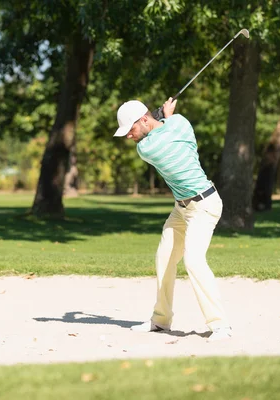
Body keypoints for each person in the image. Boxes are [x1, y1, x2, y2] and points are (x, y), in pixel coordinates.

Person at [113, 97, 232, 342]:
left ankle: (221, 325)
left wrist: (163, 115)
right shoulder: (180, 123)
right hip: (182, 209)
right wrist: (166, 115)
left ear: (144, 119)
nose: (129, 136)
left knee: (194, 261)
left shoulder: (146, 149)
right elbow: (169, 125)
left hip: (204, 205)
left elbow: (158, 134)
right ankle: (161, 320)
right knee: (164, 258)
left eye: (131, 129)